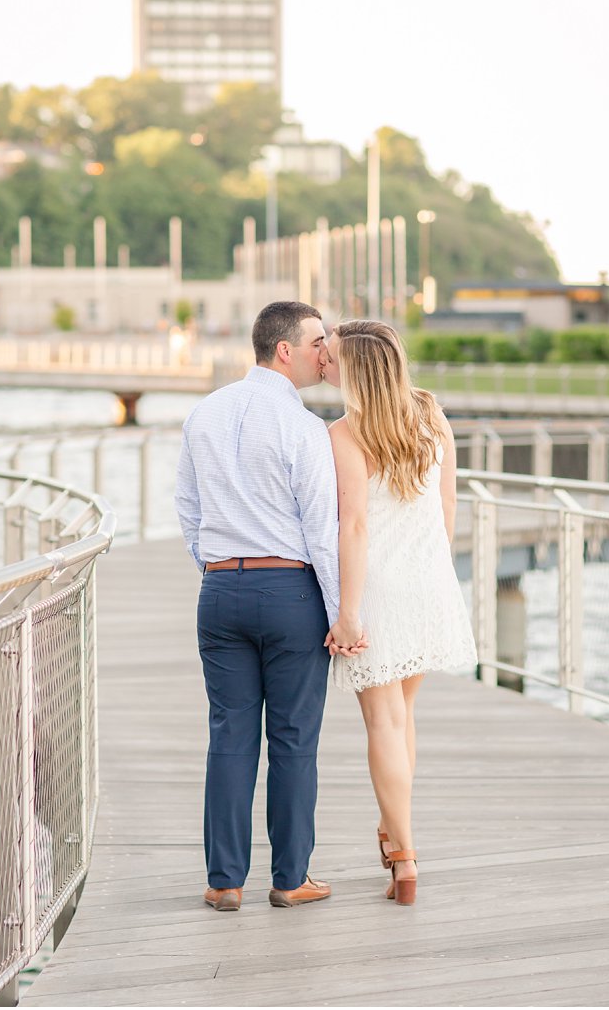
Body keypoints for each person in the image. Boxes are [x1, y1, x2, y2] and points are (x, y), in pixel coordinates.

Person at [174, 300, 346, 912]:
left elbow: (187, 510)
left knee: (230, 737)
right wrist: (339, 610)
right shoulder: (303, 429)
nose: (326, 350)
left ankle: (224, 881)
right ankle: (290, 877)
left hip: (220, 593)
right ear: (285, 350)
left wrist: (218, 569)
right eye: (318, 340)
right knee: (294, 740)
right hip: (291, 591)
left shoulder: (204, 413)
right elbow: (321, 531)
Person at [321, 319, 476, 907]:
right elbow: (448, 502)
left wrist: (349, 612)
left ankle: (406, 857)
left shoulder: (344, 434)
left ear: (355, 368)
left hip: (379, 587)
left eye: (332, 358)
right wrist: (439, 571)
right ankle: (391, 833)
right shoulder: (431, 415)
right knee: (404, 715)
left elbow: (354, 525)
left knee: (383, 722)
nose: (326, 365)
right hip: (428, 580)